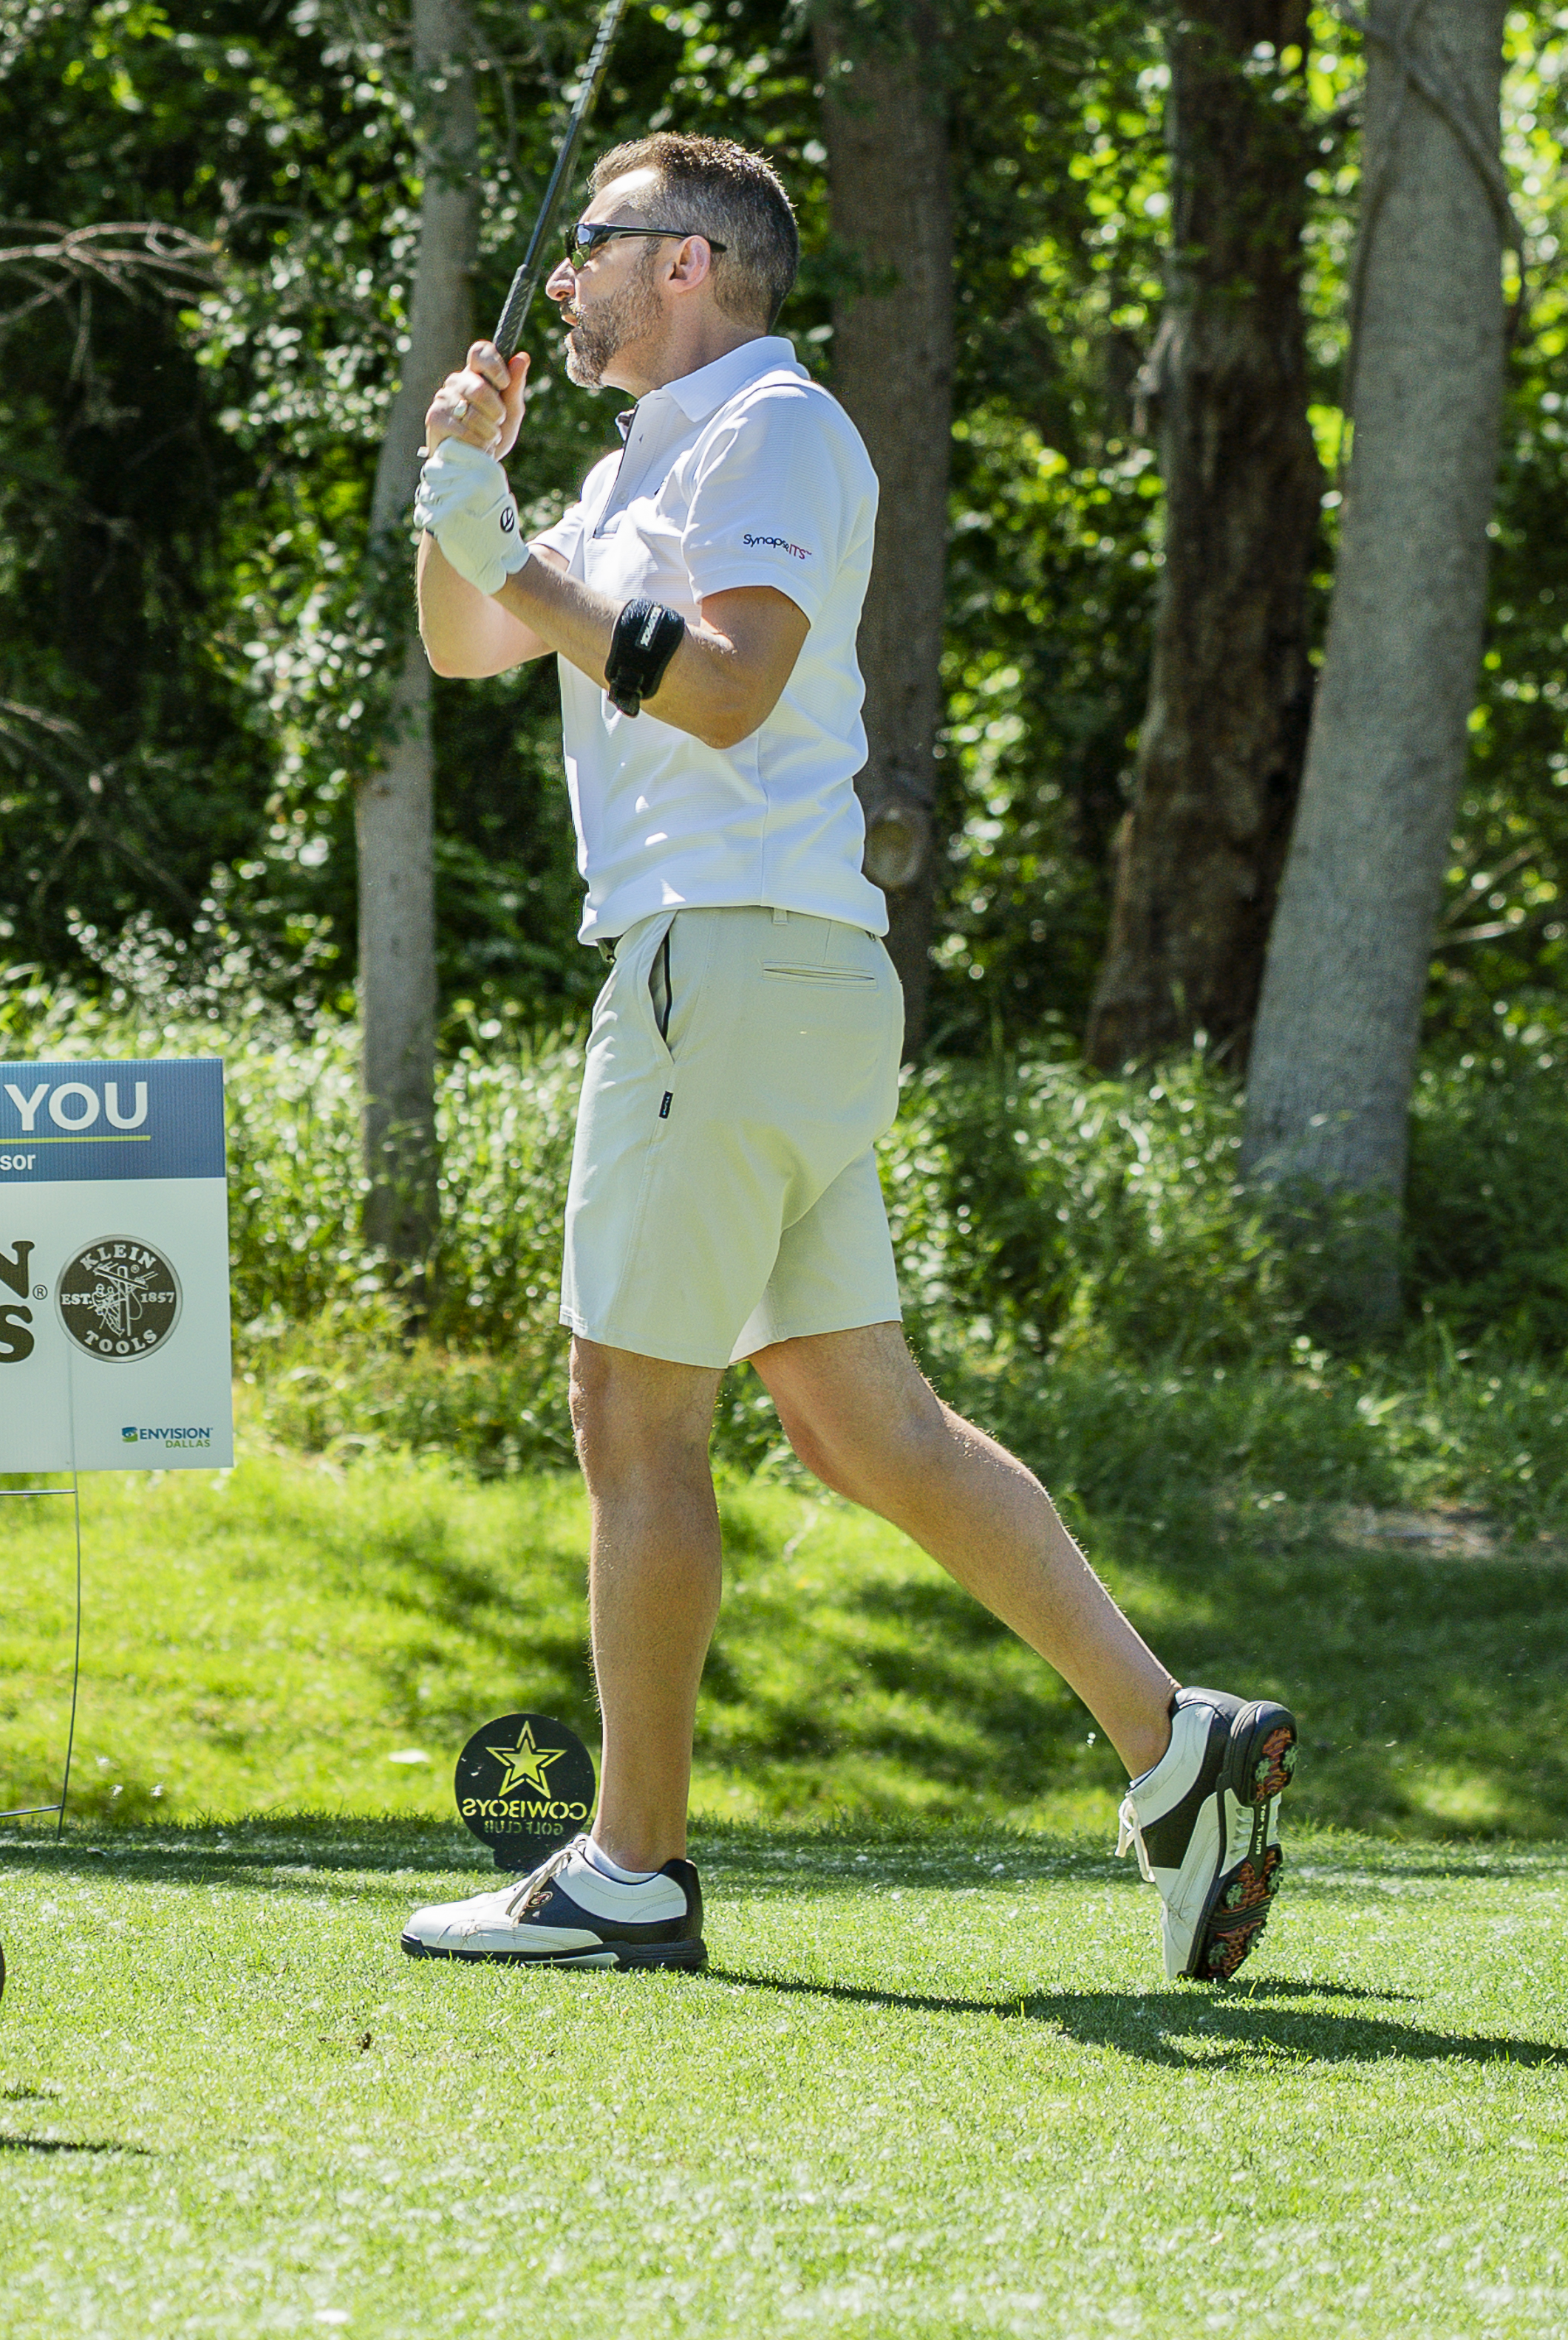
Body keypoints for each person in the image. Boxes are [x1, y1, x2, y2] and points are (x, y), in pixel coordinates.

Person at [391, 132, 1292, 1980]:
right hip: (761, 978)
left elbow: (719, 684)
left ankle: (629, 1870)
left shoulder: (774, 428)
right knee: (858, 1419)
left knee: (631, 1414)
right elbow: (473, 643)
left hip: (720, 964)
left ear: (694, 265)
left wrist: (519, 556)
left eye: (595, 247)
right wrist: (460, 491)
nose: (561, 278)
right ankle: (1174, 1742)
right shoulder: (639, 454)